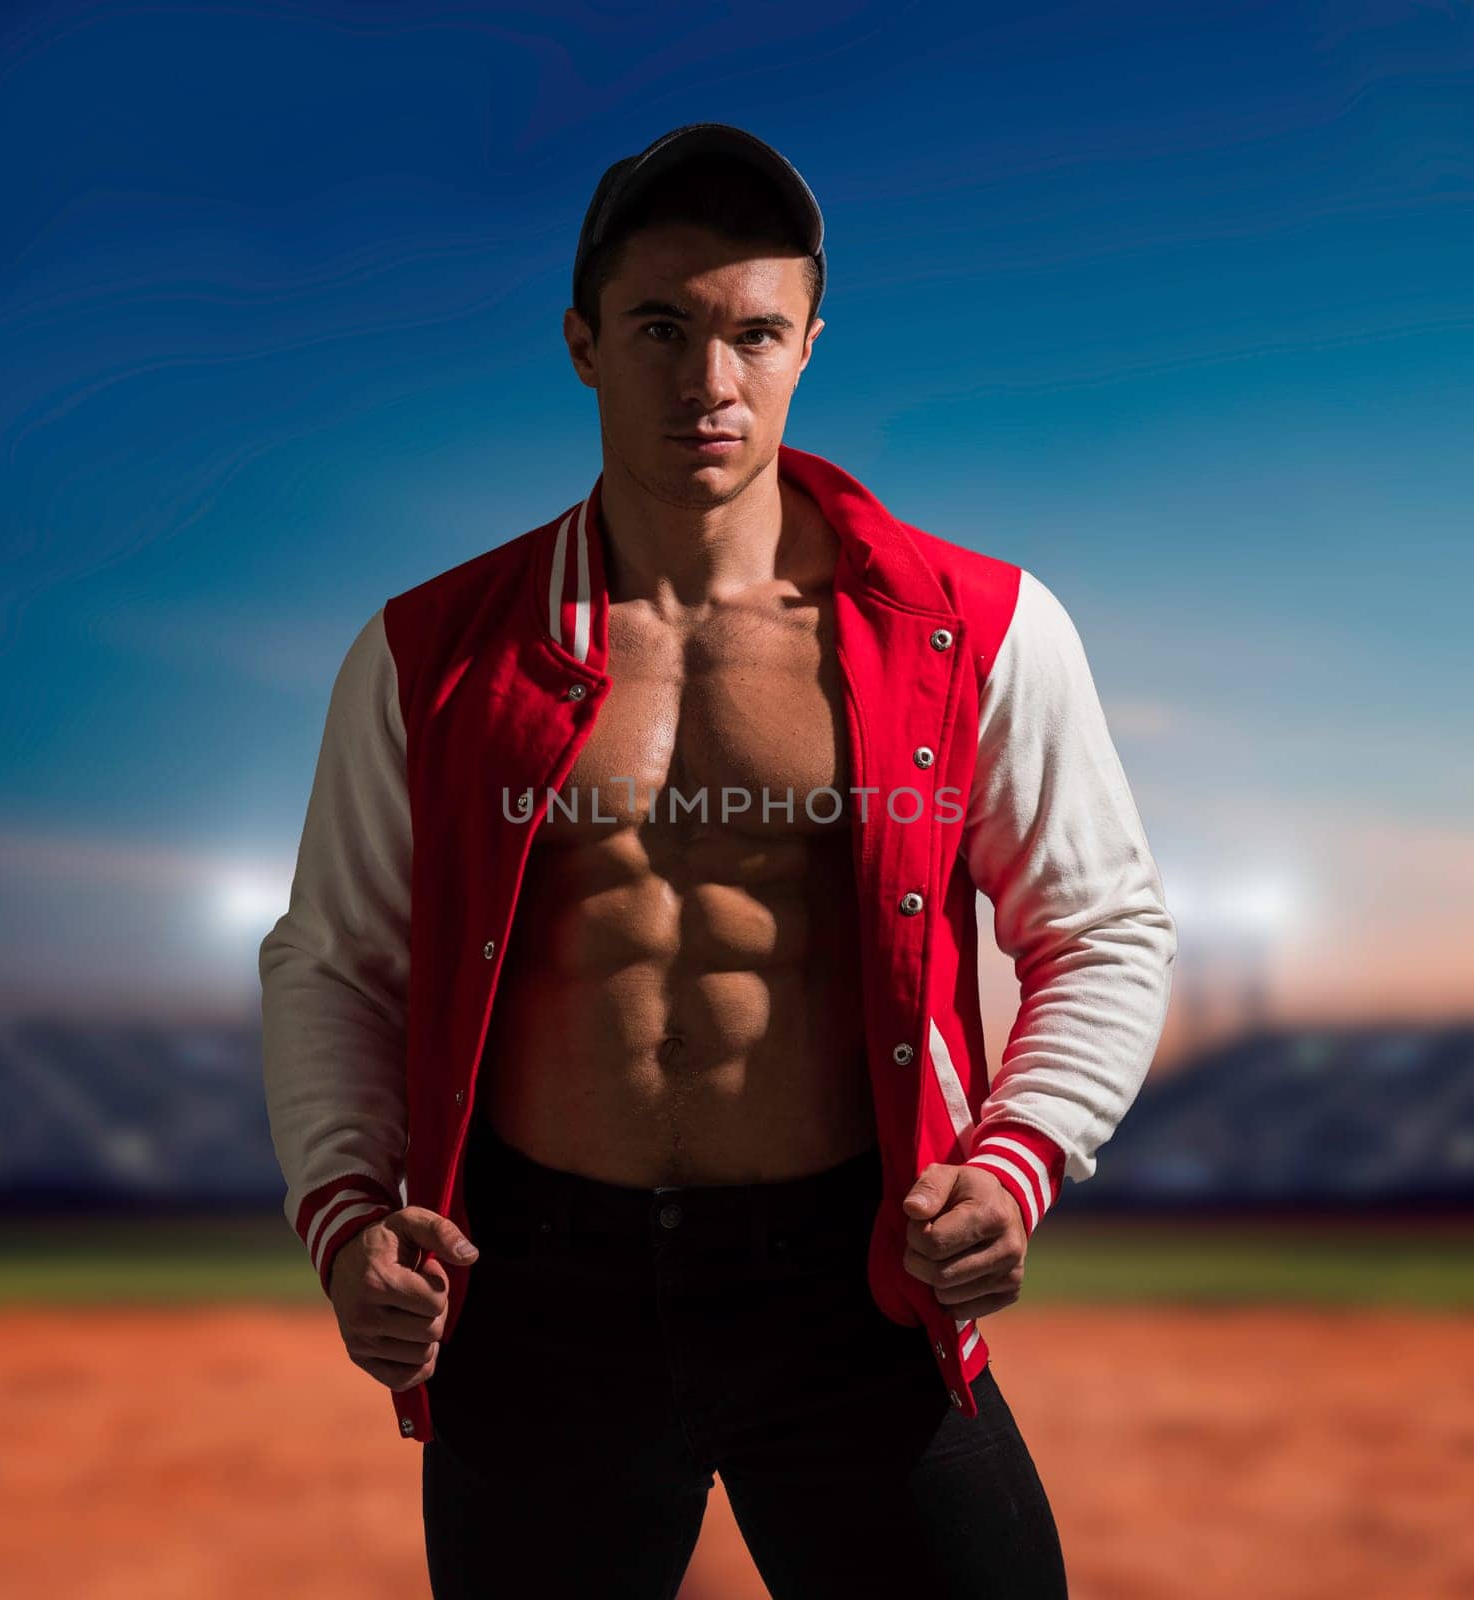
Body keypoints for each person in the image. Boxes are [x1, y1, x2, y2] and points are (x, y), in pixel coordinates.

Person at [259, 122, 1177, 1599]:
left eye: (754, 333)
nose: (709, 382)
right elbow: (334, 958)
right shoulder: (433, 653)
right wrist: (348, 1217)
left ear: (811, 340)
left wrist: (1012, 1170)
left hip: (852, 1280)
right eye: (661, 328)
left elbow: (1104, 927)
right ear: (582, 343)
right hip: (538, 1291)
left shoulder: (976, 627)